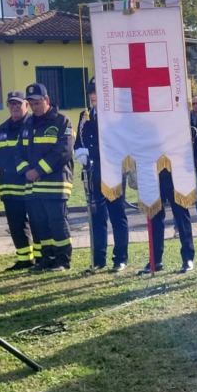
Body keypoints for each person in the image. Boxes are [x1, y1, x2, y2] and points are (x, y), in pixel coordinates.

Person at [20, 82, 74, 272]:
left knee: (57, 223)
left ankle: (62, 260)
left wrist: (38, 171)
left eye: (37, 103)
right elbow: (19, 152)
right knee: (39, 225)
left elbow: (63, 152)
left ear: (47, 100)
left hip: (55, 184)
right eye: (31, 104)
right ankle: (46, 258)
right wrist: (26, 170)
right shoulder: (27, 124)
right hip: (33, 187)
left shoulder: (62, 121)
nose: (34, 107)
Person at [76, 81, 129, 273]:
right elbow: (78, 141)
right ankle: (98, 259)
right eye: (91, 92)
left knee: (116, 215)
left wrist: (91, 151)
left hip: (113, 169)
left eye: (96, 92)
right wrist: (80, 151)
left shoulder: (115, 116)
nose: (93, 96)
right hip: (92, 171)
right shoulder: (85, 115)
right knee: (96, 216)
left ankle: (120, 258)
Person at [143, 120, 197, 275]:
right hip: (156, 177)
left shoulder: (187, 129)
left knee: (182, 219)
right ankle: (155, 259)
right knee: (155, 218)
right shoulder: (152, 128)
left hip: (178, 178)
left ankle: (188, 258)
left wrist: (193, 168)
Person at [0, 91, 37, 270]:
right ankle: (24, 259)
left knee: (35, 223)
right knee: (15, 225)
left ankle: (40, 257)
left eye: (18, 104)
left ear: (26, 105)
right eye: (11, 104)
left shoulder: (33, 125)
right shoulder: (1, 130)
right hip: (8, 187)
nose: (15, 107)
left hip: (29, 184)